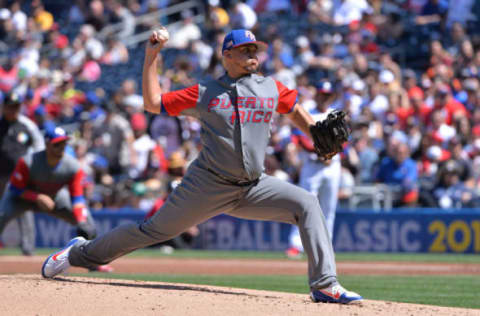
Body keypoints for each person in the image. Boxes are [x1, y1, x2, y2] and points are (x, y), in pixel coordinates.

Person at [42, 29, 362, 304]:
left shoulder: (270, 87)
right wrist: (152, 56)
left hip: (253, 186)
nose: (253, 54)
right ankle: (77, 253)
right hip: (207, 185)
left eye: (255, 49)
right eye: (244, 49)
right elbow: (153, 103)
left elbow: (296, 112)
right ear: (227, 55)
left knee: (307, 203)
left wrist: (315, 134)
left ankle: (324, 285)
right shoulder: (206, 92)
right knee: (151, 231)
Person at [286, 81, 342, 258]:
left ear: (331, 97)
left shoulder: (335, 114)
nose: (324, 98)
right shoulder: (308, 111)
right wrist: (318, 152)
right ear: (317, 94)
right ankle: (296, 245)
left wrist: (328, 154)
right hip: (312, 164)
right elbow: (299, 138)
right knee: (304, 205)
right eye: (322, 94)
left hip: (331, 166)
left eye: (328, 95)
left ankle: (326, 247)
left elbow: (342, 142)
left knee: (329, 208)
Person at [0, 93, 44, 255]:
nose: (13, 110)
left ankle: (28, 249)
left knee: (24, 210)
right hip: (1, 175)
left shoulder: (27, 125)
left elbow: (40, 147)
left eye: (16, 107)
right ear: (3, 107)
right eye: (10, 106)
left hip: (21, 177)